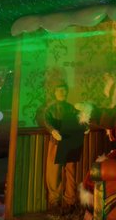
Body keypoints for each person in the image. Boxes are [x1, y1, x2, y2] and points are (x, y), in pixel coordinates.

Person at [39, 82, 87, 218]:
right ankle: (55, 203)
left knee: (71, 172)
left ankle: (70, 202)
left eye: (64, 90)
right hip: (56, 142)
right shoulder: (49, 108)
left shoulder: (71, 108)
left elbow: (80, 119)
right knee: (54, 173)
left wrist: (85, 127)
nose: (62, 92)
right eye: (59, 90)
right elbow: (44, 119)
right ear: (55, 92)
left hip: (70, 142)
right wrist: (53, 131)